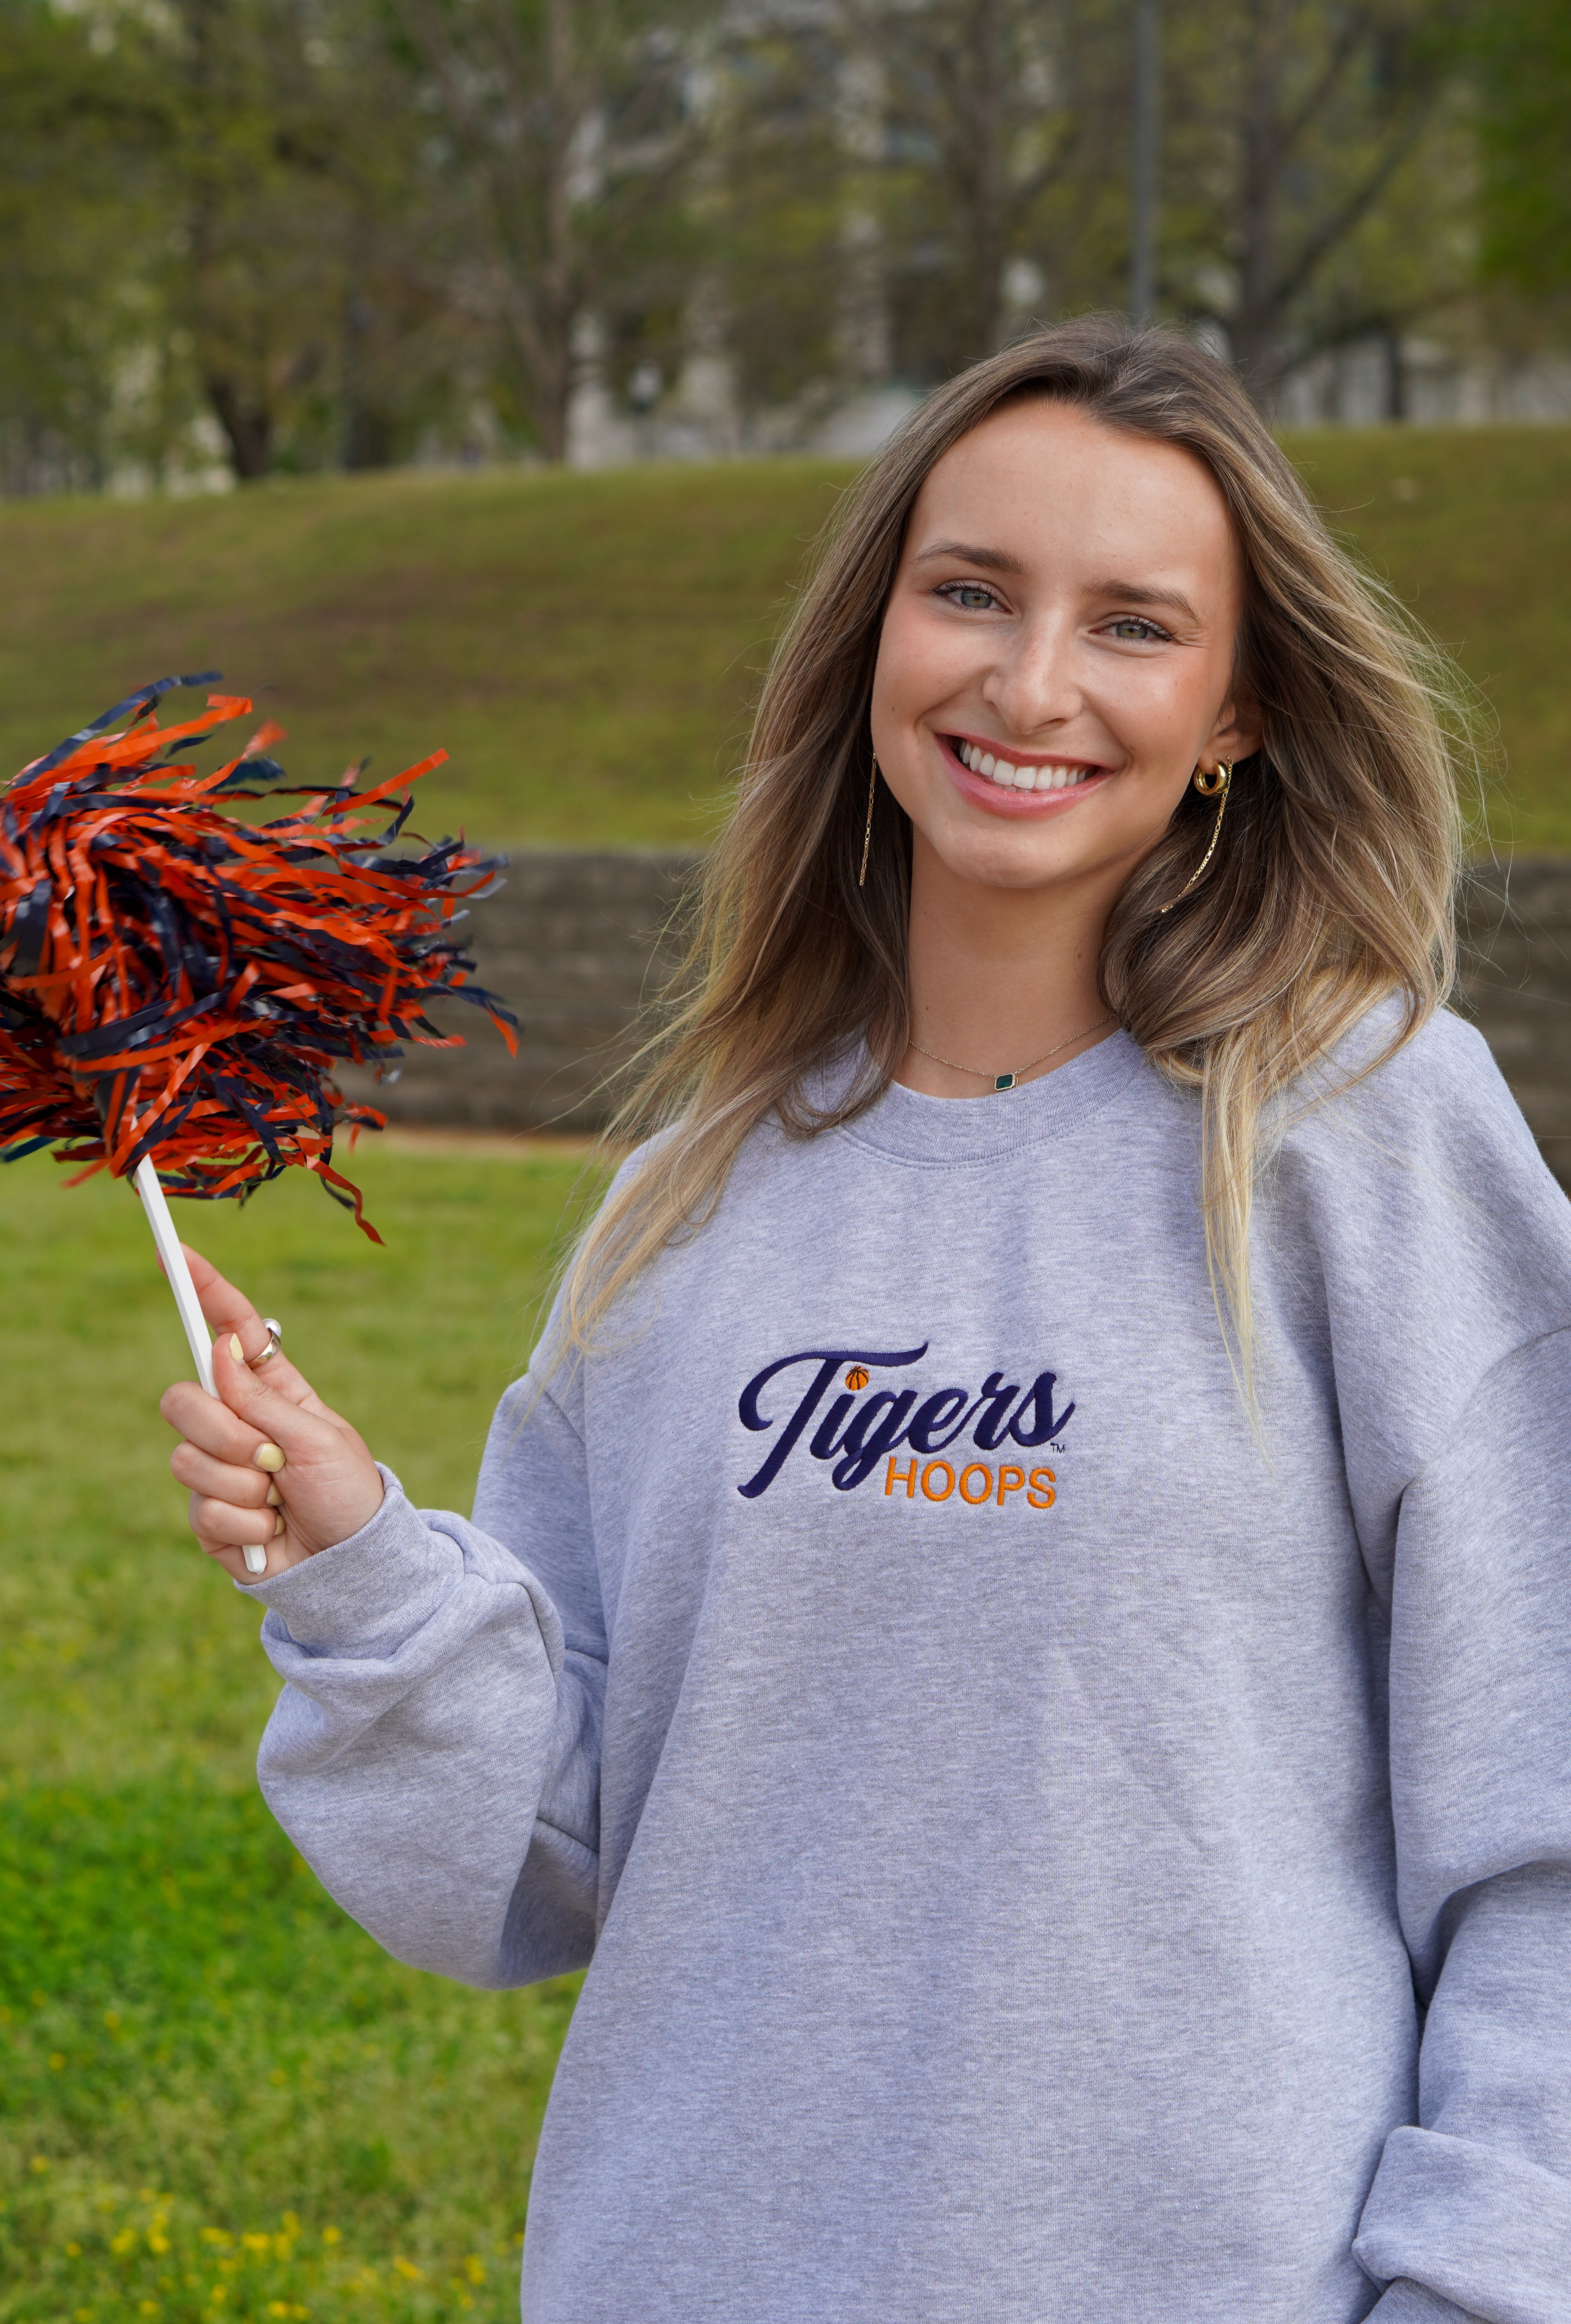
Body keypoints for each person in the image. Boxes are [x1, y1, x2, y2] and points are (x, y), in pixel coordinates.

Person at [160, 318, 1571, 2324]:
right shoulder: (683, 1206)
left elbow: (1546, 1841)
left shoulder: (1368, 1134)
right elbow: (538, 1865)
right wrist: (362, 1564)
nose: (1029, 683)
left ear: (1241, 705)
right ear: (875, 633)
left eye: (1135, 626)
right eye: (971, 593)